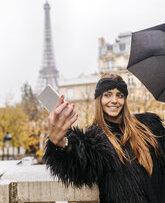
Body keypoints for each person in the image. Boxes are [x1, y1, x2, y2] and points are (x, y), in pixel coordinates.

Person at [43, 73, 165, 203]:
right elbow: (79, 161)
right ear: (99, 99)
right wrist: (60, 143)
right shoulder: (95, 139)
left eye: (119, 95)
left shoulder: (149, 126)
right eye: (107, 94)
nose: (114, 100)